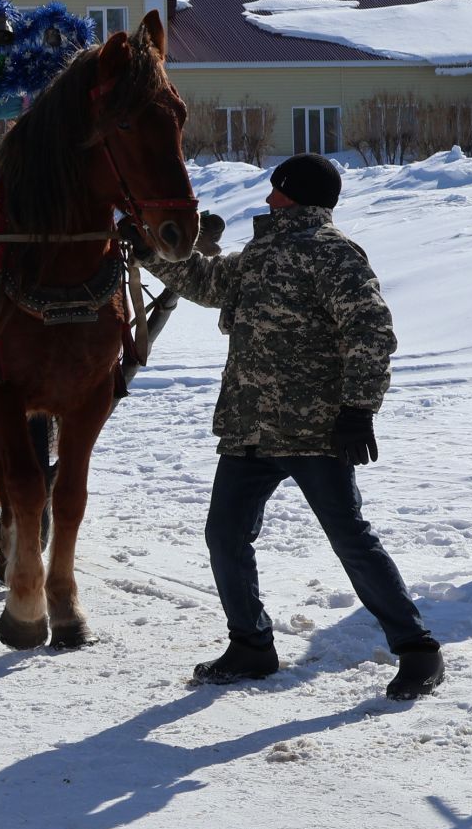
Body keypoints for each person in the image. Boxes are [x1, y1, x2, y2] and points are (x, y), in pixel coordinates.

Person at [137, 154, 445, 702]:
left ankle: (418, 650)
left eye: (274, 190)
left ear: (292, 194)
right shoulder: (262, 252)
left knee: (350, 539)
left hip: (314, 432)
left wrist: (358, 409)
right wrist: (147, 250)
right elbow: (207, 281)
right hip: (248, 428)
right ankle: (251, 645)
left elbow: (370, 329)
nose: (265, 199)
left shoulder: (334, 253)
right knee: (224, 536)